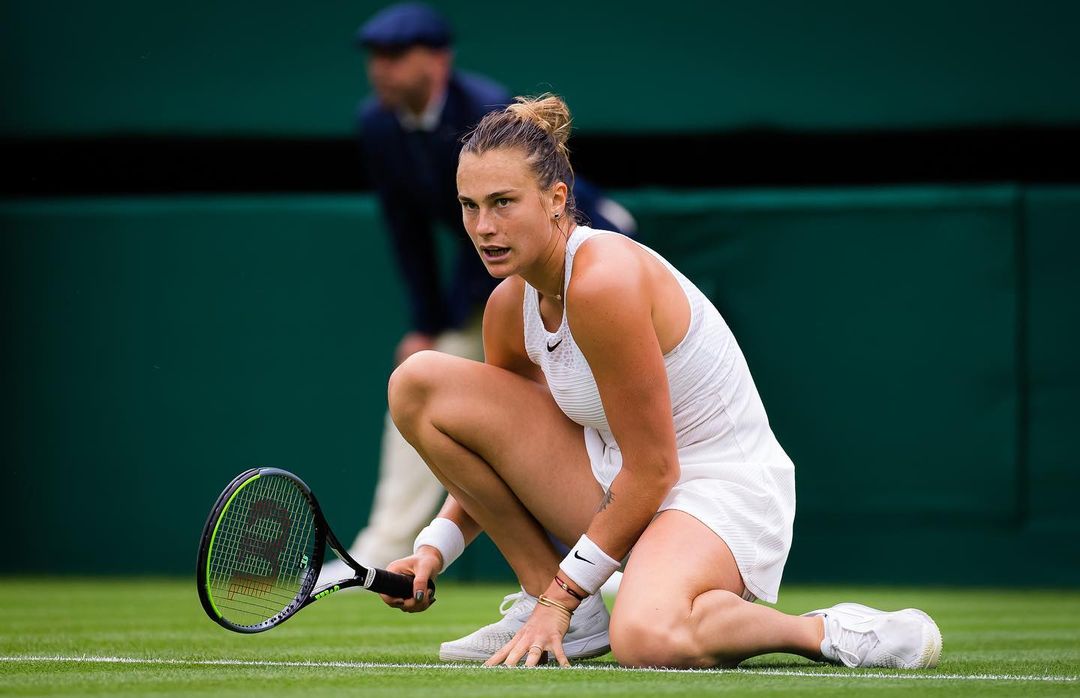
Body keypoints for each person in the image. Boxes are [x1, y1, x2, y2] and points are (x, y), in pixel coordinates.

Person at [377, 93, 944, 669]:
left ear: (556, 200)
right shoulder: (508, 305)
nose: (483, 227)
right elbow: (494, 452)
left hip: (719, 488)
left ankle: (825, 631)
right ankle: (550, 597)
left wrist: (564, 596)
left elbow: (655, 469)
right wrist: (433, 549)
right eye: (469, 206)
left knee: (647, 639)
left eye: (503, 202)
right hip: (616, 480)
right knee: (419, 383)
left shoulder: (604, 282)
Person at [320, 3, 636, 583]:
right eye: (374, 58)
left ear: (437, 60)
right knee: (434, 390)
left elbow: (500, 235)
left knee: (586, 412)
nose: (380, 69)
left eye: (395, 55)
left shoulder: (482, 113)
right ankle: (390, 547)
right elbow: (407, 229)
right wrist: (427, 321)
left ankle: (608, 562)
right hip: (508, 276)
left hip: (588, 246)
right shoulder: (378, 125)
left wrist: (480, 300)